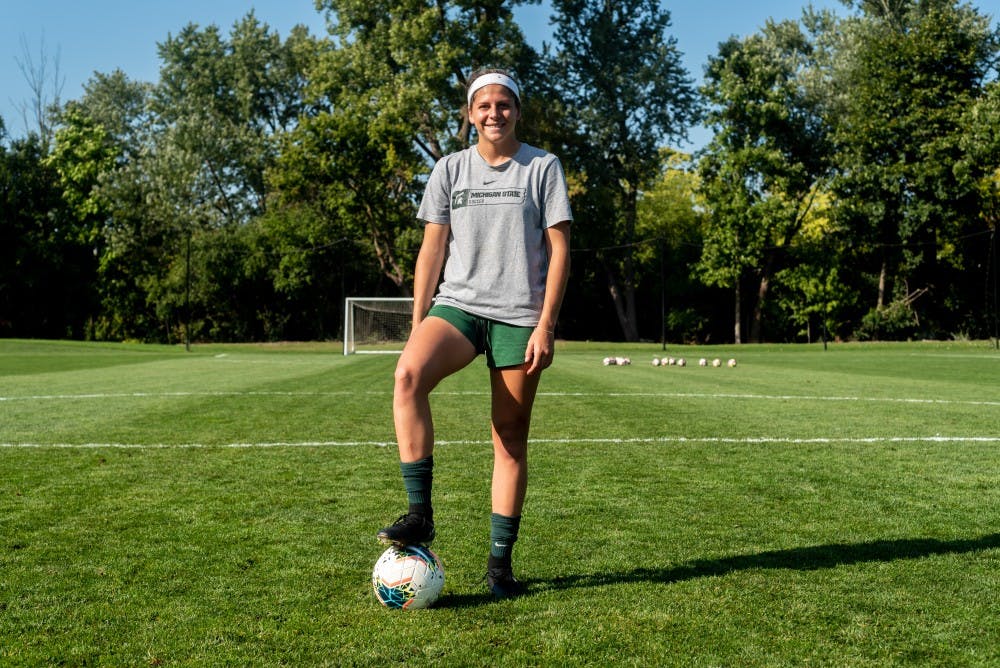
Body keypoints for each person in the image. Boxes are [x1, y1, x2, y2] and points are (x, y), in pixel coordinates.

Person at [376, 67, 572, 599]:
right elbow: (432, 251)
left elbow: (560, 253)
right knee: (408, 374)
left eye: (504, 105)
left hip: (518, 315)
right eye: (483, 105)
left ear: (517, 112)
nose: (494, 113)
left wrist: (545, 325)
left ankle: (499, 569)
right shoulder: (449, 169)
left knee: (509, 438)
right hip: (458, 306)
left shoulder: (543, 167)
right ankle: (420, 516)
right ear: (470, 113)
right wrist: (419, 323)